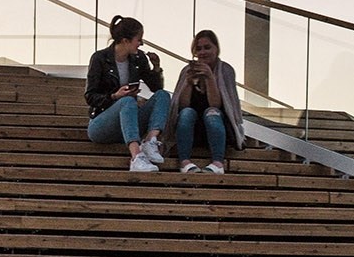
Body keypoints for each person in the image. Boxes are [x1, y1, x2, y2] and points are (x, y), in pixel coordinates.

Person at [85, 16, 171, 172]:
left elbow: (156, 88)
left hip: (129, 122)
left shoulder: (138, 59)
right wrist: (115, 96)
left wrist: (156, 68)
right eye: (139, 39)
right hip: (101, 124)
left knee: (163, 95)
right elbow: (90, 96)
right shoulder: (100, 58)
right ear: (125, 40)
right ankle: (136, 157)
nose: (142, 43)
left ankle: (150, 141)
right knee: (127, 101)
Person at [166, 29, 245, 174]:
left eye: (207, 47)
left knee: (212, 112)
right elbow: (182, 105)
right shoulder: (187, 70)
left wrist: (209, 77)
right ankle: (184, 161)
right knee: (187, 113)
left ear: (216, 49)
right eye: (199, 48)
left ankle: (218, 162)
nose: (202, 52)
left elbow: (216, 105)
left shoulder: (226, 70)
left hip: (218, 128)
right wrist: (189, 83)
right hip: (191, 129)